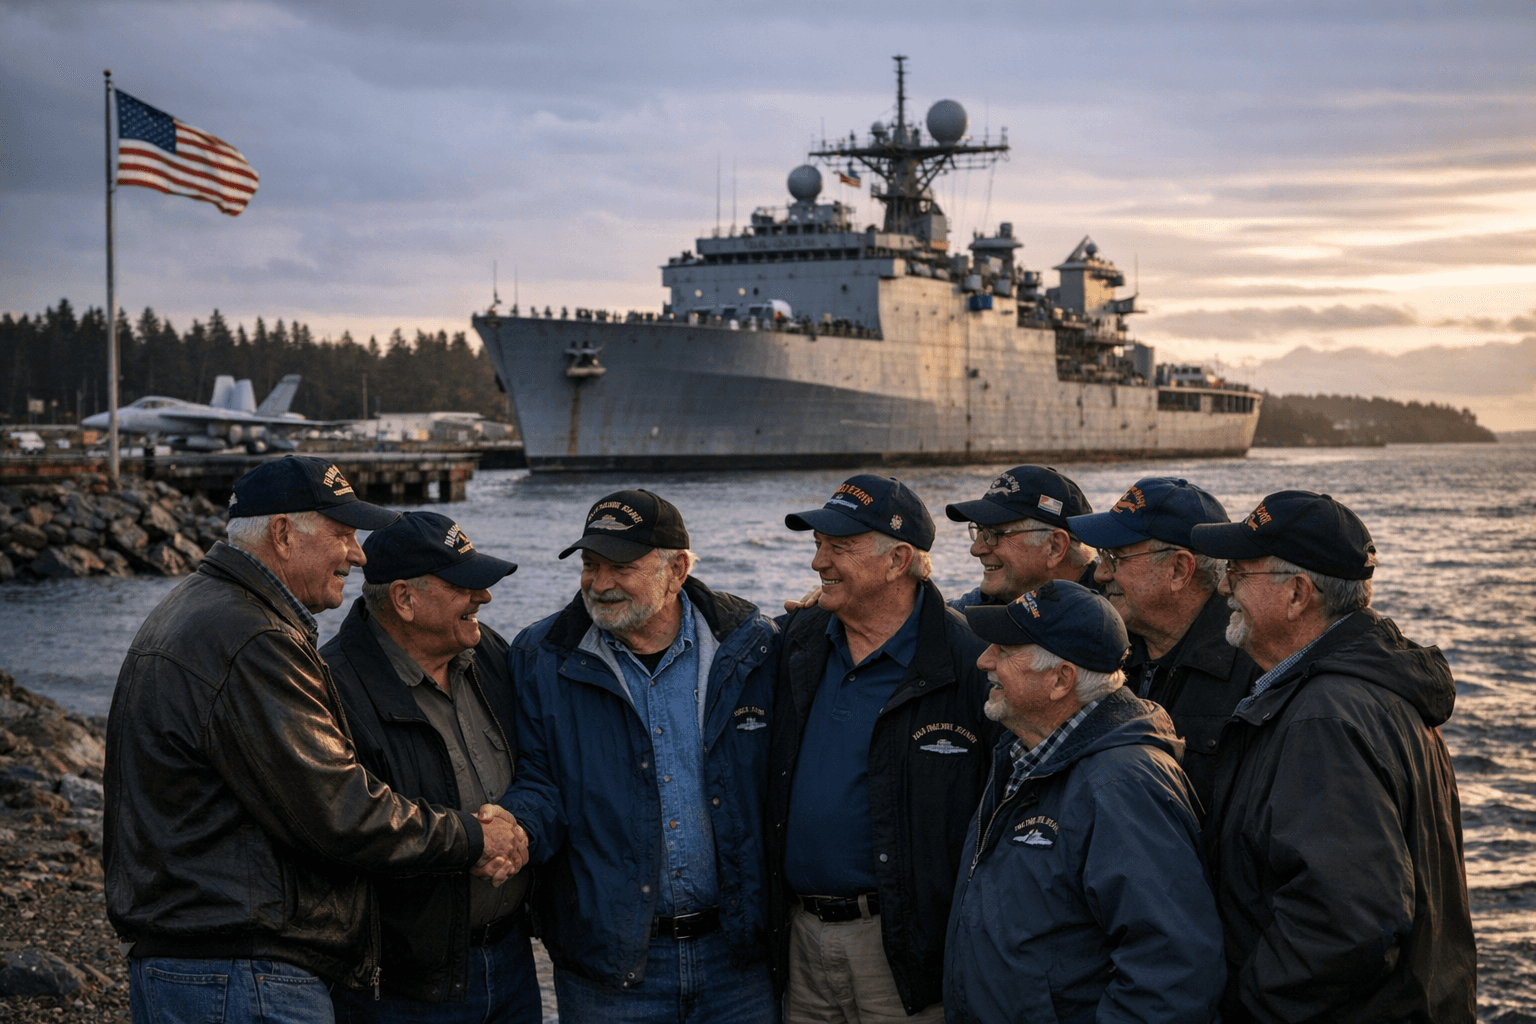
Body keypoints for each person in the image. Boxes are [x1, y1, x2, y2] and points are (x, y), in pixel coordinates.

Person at [104, 456, 524, 1024]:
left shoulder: (197, 609)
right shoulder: (253, 637)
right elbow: (339, 810)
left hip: (202, 960)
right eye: (343, 533)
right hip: (242, 971)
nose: (356, 552)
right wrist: (472, 837)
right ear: (282, 533)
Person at [1189, 491, 1476, 1022]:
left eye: (1239, 571)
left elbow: (1347, 924)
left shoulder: (1324, 719)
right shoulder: (1367, 692)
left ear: (1298, 593)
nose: (1225, 586)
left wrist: (1246, 1005)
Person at [501, 489, 779, 1023]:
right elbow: (538, 780)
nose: (600, 583)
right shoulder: (540, 657)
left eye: (621, 566)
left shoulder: (752, 646)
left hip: (739, 961)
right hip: (609, 970)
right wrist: (515, 831)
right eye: (590, 564)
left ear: (676, 570)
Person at [945, 581, 1225, 1023]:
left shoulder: (1121, 785)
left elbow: (1171, 970)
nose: (984, 661)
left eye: (1004, 649)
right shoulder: (1022, 751)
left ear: (1060, 680)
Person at [768, 475, 992, 1022]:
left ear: (898, 560)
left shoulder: (973, 664)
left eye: (838, 547)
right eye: (817, 545)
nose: (819, 563)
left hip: (904, 953)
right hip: (797, 941)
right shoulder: (792, 642)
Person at [321, 511, 540, 1023]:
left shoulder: (490, 656)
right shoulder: (331, 689)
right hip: (402, 986)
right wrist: (478, 840)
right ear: (404, 599)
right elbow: (353, 830)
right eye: (465, 585)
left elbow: (542, 768)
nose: (484, 597)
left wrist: (519, 828)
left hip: (510, 957)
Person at [1066, 476, 1259, 809]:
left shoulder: (1255, 677)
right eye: (1100, 557)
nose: (1100, 574)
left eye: (1115, 557)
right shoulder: (1104, 654)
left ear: (1179, 571)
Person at [943, 464, 1099, 610]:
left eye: (994, 533)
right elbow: (939, 617)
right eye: (979, 531)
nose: (976, 549)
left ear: (1054, 547)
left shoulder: (1112, 612)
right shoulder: (997, 597)